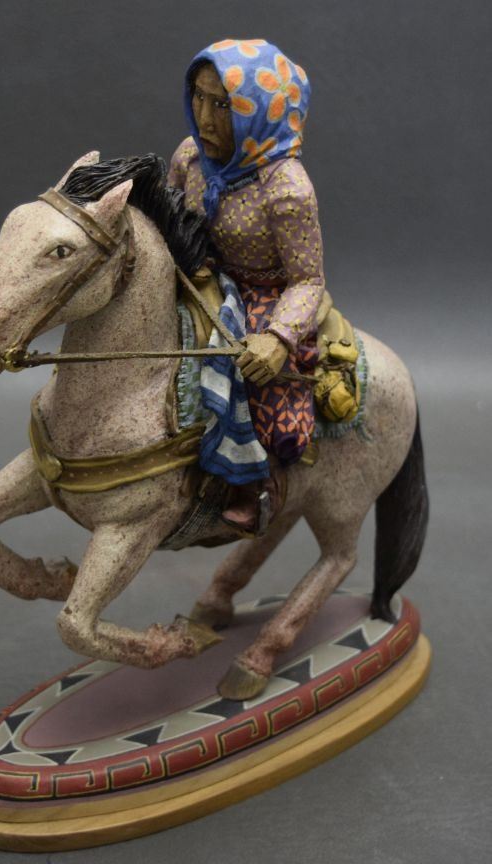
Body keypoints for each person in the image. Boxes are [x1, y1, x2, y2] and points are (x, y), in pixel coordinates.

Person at [168, 38, 326, 532]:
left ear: (258, 111)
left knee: (255, 378)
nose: (204, 117)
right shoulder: (190, 158)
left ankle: (255, 481)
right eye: (199, 97)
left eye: (223, 105)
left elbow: (308, 279)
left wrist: (278, 339)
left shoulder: (286, 187)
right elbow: (171, 217)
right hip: (199, 278)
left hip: (264, 294)